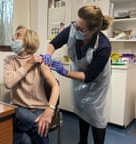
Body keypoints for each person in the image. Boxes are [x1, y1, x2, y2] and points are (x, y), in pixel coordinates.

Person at [41, 5, 113, 144]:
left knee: (97, 115)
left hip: (97, 82)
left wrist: (65, 72)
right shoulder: (73, 29)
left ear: (94, 30)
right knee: (82, 108)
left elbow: (89, 76)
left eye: (81, 29)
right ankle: (82, 141)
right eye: (76, 24)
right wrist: (48, 54)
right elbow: (54, 43)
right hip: (77, 75)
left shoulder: (103, 46)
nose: (76, 29)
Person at [4, 25, 59, 144]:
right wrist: (28, 64)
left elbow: (55, 86)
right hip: (20, 108)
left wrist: (50, 110)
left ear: (28, 41)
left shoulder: (41, 61)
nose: (13, 38)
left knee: (25, 140)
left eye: (18, 35)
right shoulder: (10, 60)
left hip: (40, 108)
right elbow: (8, 83)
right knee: (40, 126)